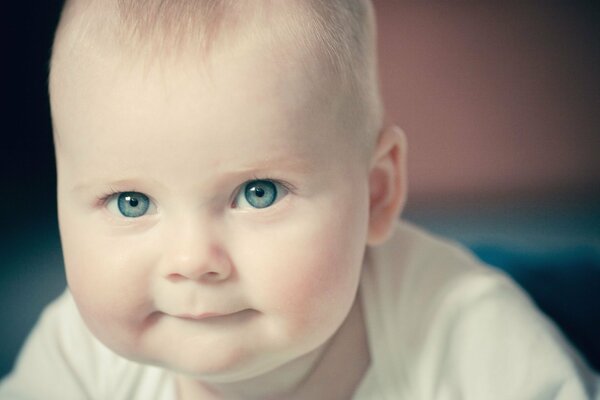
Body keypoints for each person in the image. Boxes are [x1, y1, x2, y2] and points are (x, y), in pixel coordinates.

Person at [1, 0, 597, 399]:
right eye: (132, 202)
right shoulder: (76, 359)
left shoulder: (465, 332)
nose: (192, 260)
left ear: (378, 192)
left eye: (257, 194)